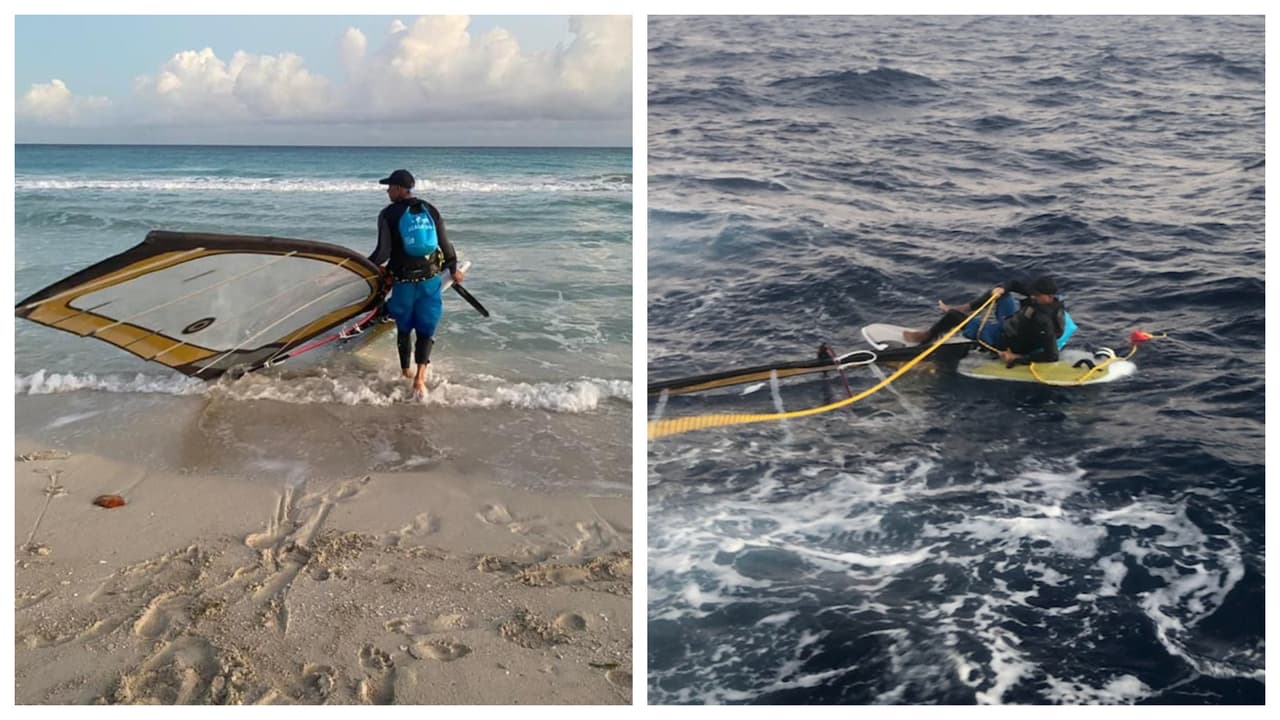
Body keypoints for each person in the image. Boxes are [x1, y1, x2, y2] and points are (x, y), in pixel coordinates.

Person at [368, 169, 464, 396]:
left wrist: (365, 267)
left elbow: (383, 253)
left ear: (400, 189)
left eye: (390, 187)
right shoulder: (429, 210)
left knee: (404, 327)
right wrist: (453, 268)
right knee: (425, 328)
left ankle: (405, 372)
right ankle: (420, 378)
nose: (387, 192)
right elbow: (445, 244)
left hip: (403, 282)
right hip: (430, 280)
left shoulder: (388, 214)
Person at [902, 276, 1071, 365]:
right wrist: (1002, 288)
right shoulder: (1040, 298)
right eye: (1033, 293)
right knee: (999, 293)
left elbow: (1052, 356)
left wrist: (1016, 358)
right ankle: (966, 307)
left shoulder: (1044, 322)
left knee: (953, 317)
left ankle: (926, 337)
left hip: (1001, 339)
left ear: (1049, 297)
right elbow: (1013, 283)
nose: (1032, 296)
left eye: (1036, 295)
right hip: (1012, 323)